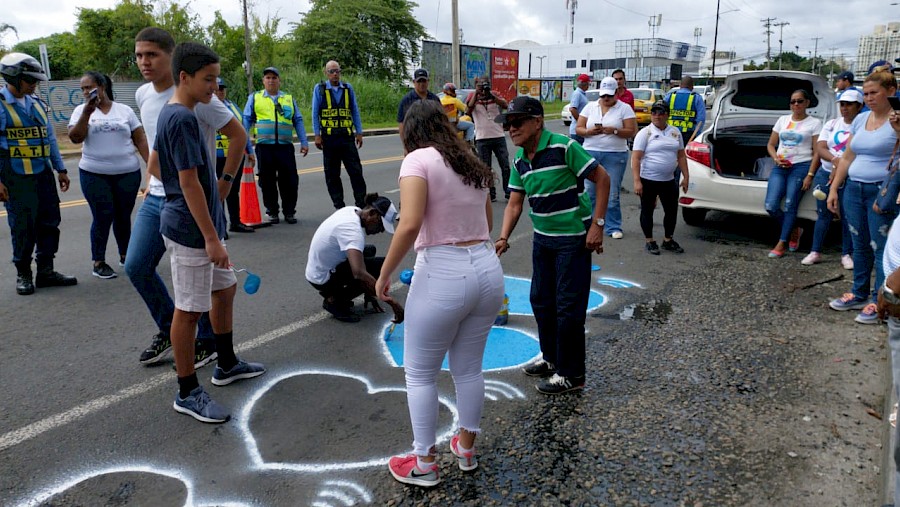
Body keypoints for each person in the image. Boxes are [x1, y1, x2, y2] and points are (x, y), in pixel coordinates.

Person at [375, 100, 502, 487]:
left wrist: (384, 275)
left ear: (410, 132)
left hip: (443, 272)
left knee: (420, 374)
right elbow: (487, 221)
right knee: (468, 369)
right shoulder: (469, 162)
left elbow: (410, 222)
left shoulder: (417, 162)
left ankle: (424, 464)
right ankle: (465, 447)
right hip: (485, 267)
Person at [157, 42, 265, 424]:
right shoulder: (181, 119)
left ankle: (226, 363)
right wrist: (211, 238)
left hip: (204, 223)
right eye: (208, 79)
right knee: (188, 310)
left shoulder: (182, 112)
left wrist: (221, 192)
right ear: (183, 77)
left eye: (217, 79)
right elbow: (187, 185)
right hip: (190, 229)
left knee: (225, 288)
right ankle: (187, 391)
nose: (214, 87)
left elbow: (162, 167)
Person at [128, 27, 248, 367]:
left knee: (219, 287)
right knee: (139, 268)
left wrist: (224, 183)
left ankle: (214, 350)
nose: (144, 62)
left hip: (189, 200)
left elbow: (238, 136)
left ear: (172, 57)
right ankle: (178, 344)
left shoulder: (201, 100)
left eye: (151, 55)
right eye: (139, 55)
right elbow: (158, 154)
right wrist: (157, 182)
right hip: (170, 202)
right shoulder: (151, 99)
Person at [495, 96, 610, 395]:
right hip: (543, 240)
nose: (512, 128)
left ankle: (572, 375)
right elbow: (515, 203)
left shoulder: (564, 147)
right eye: (508, 124)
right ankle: (551, 359)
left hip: (573, 239)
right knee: (541, 301)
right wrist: (503, 237)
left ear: (537, 121)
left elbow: (603, 178)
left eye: (517, 122)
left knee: (567, 308)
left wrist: (597, 226)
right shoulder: (520, 160)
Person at [0, 52, 77, 296]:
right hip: (15, 174)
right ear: (14, 77)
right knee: (23, 226)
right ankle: (24, 273)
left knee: (49, 221)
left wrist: (60, 168)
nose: (35, 84)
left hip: (42, 172)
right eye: (30, 79)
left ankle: (46, 270)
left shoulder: (36, 103)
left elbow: (50, 138)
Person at [827, 70, 900, 324]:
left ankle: (879, 299)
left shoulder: (897, 120)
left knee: (880, 247)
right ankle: (859, 292)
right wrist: (835, 188)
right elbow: (848, 156)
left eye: (874, 93)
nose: (868, 98)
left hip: (881, 191)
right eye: (865, 93)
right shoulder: (861, 119)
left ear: (891, 92)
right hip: (854, 188)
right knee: (859, 245)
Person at [67, 71, 148, 279]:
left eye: (89, 87)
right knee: (103, 215)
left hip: (127, 173)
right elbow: (75, 138)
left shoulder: (125, 111)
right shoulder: (80, 111)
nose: (86, 92)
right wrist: (87, 112)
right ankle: (99, 261)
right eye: (83, 88)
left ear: (102, 86)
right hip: (94, 173)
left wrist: (152, 169)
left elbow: (140, 140)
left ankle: (126, 256)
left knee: (123, 216)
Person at [306, 194, 404, 323]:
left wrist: (369, 292)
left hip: (319, 269)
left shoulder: (352, 211)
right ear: (372, 213)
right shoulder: (352, 231)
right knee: (382, 266)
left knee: (369, 250)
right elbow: (358, 273)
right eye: (381, 224)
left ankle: (340, 293)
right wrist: (390, 301)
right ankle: (334, 301)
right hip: (322, 278)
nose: (380, 230)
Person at [801, 89, 863, 268]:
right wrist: (836, 161)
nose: (844, 108)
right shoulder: (832, 123)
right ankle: (815, 251)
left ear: (859, 107)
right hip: (826, 172)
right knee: (823, 214)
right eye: (842, 104)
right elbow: (820, 148)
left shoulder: (861, 126)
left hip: (850, 176)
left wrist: (841, 165)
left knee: (847, 216)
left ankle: (846, 253)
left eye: (849, 104)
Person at [242, 66, 309, 224]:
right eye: (268, 78)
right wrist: (247, 147)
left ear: (279, 81)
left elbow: (297, 120)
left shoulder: (288, 99)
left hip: (285, 147)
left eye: (274, 78)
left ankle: (289, 212)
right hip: (264, 147)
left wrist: (304, 141)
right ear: (263, 81)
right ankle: (272, 212)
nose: (271, 80)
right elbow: (246, 121)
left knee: (290, 180)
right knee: (267, 180)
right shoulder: (255, 97)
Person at [575, 76, 637, 238]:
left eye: (609, 95)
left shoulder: (624, 109)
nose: (606, 99)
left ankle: (613, 226)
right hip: (591, 152)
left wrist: (615, 131)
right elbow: (579, 128)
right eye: (603, 95)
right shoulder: (590, 107)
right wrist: (589, 132)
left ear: (616, 92)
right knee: (589, 191)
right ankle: (589, 224)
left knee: (612, 191)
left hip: (615, 154)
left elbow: (631, 131)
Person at [764, 89, 822, 258]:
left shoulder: (814, 123)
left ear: (807, 103)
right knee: (771, 205)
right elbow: (770, 144)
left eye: (800, 101)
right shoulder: (783, 120)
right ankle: (794, 230)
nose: (796, 104)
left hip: (801, 166)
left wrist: (810, 174)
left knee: (790, 205)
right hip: (780, 167)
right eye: (793, 101)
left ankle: (781, 243)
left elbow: (817, 151)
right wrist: (776, 158)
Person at [631, 101, 689, 255]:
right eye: (654, 112)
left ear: (667, 115)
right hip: (648, 179)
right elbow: (636, 158)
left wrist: (686, 176)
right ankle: (649, 240)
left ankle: (668, 239)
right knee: (647, 210)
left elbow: (681, 155)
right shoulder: (645, 133)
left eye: (661, 112)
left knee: (671, 211)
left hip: (669, 180)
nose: (657, 116)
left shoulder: (675, 132)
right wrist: (637, 181)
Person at [312, 60, 368, 210]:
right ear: (326, 73)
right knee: (332, 175)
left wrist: (359, 132)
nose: (335, 74)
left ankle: (361, 203)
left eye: (337, 71)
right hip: (329, 139)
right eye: (331, 71)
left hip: (347, 138)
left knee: (356, 171)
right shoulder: (320, 89)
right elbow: (315, 113)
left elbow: (354, 111)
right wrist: (317, 135)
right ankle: (339, 206)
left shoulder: (348, 89)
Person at [214, 78, 255, 233]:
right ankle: (220, 226)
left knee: (232, 190)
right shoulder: (206, 107)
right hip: (216, 155)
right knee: (218, 191)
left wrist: (249, 151)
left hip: (233, 155)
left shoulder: (232, 106)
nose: (221, 91)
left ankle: (235, 222)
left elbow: (242, 131)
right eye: (218, 89)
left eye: (223, 88)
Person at [466, 76, 511, 201]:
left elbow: (505, 104)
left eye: (485, 85)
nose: (483, 88)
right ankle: (491, 193)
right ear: (475, 86)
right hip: (482, 138)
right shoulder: (472, 97)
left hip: (498, 136)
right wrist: (476, 93)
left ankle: (508, 190)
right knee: (486, 168)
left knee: (505, 165)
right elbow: (467, 110)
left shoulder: (494, 95)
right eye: (480, 85)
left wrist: (491, 95)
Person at [396, 68, 441, 137]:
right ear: (414, 82)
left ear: (428, 81)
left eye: (424, 81)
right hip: (414, 139)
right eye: (419, 81)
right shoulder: (406, 100)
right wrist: (405, 144)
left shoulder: (434, 99)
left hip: (432, 139)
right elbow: (402, 123)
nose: (421, 84)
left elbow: (441, 120)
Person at [663, 75, 706, 147]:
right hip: (688, 135)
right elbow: (701, 119)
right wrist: (696, 135)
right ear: (692, 86)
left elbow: (661, 111)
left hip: (670, 133)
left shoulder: (670, 96)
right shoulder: (696, 98)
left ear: (680, 85)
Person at [567, 73, 591, 144]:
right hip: (577, 130)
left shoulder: (582, 94)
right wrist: (580, 121)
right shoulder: (577, 94)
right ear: (584, 84)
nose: (588, 86)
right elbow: (572, 109)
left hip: (581, 129)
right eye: (588, 84)